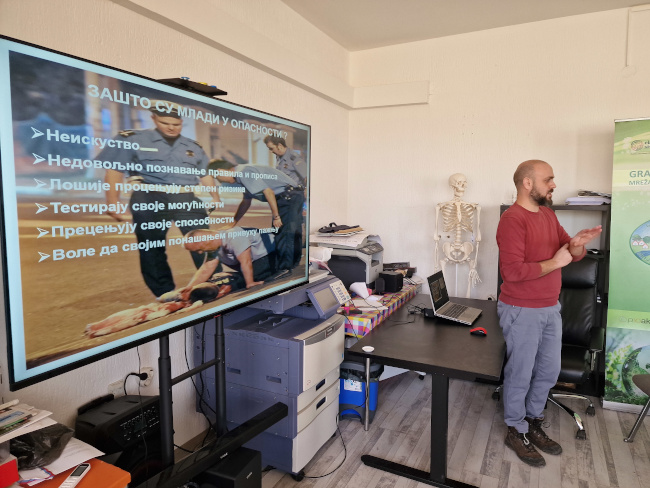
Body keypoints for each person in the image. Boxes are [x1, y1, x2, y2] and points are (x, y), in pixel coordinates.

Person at [496, 160, 602, 467]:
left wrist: (577, 245)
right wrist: (556, 262)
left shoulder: (547, 215)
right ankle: (515, 430)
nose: (554, 184)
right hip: (521, 309)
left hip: (550, 308)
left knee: (548, 371)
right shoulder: (512, 220)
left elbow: (572, 252)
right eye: (549, 179)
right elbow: (513, 272)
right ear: (528, 183)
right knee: (521, 373)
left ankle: (532, 420)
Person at [98, 102, 221, 298]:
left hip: (185, 196)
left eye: (176, 124)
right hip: (149, 196)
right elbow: (114, 170)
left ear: (182, 122)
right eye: (165, 123)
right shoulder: (131, 138)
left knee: (204, 240)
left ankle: (214, 284)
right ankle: (165, 294)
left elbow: (204, 173)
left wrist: (215, 196)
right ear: (153, 119)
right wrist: (112, 202)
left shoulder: (192, 146)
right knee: (151, 247)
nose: (171, 128)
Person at [210, 160, 304, 280]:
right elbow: (246, 201)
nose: (220, 181)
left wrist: (276, 217)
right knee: (292, 230)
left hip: (287, 197)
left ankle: (284, 269)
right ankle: (293, 263)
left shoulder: (243, 173)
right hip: (293, 195)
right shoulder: (242, 172)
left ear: (220, 171)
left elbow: (268, 192)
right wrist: (233, 222)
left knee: (282, 232)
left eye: (217, 177)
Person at [178, 227, 277, 301]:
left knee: (235, 282)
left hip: (271, 256)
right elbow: (207, 268)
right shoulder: (213, 246)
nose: (200, 253)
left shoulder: (233, 236)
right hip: (254, 262)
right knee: (227, 280)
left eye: (199, 249)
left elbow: (246, 261)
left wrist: (250, 283)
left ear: (207, 239)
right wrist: (190, 287)